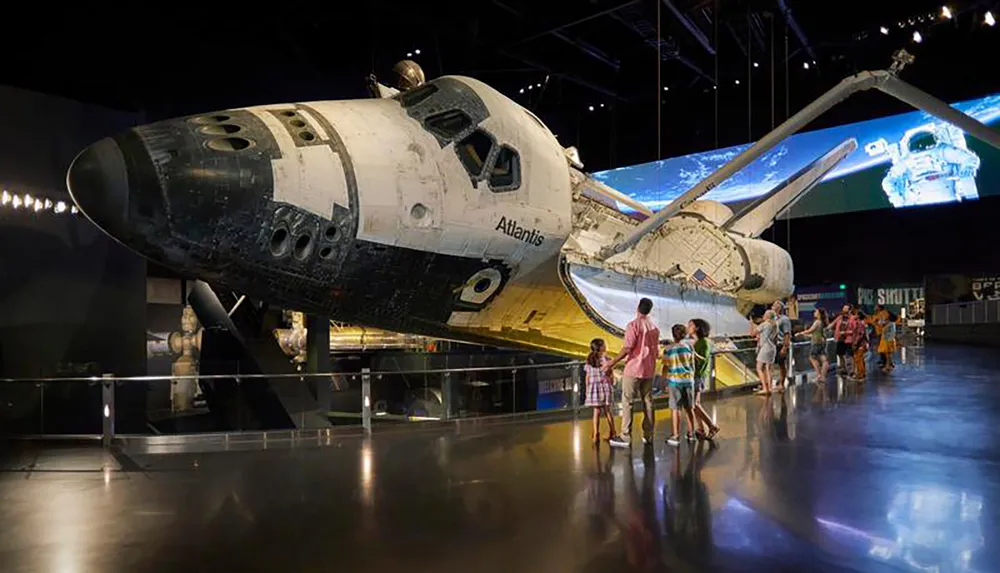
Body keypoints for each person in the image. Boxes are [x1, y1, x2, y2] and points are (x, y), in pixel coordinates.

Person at [606, 298, 660, 448]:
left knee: (628, 401)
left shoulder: (633, 325)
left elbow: (627, 348)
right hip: (649, 369)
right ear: (649, 310)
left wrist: (612, 362)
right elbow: (656, 351)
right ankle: (648, 435)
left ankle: (625, 436)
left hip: (634, 369)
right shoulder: (654, 328)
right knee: (648, 402)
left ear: (638, 308)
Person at [663, 324, 697, 446]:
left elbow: (666, 366)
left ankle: (676, 436)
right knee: (689, 408)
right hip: (688, 381)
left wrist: (664, 382)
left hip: (674, 382)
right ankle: (692, 433)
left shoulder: (668, 349)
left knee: (675, 409)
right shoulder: (689, 347)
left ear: (673, 335)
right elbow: (693, 365)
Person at [687, 318, 722, 441]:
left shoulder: (703, 342)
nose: (688, 327)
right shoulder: (698, 342)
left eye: (690, 325)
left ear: (697, 328)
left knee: (694, 404)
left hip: (698, 375)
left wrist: (692, 353)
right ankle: (700, 429)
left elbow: (703, 358)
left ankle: (712, 426)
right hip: (697, 375)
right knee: (694, 404)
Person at [584, 338, 619, 444]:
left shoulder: (589, 361)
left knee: (596, 412)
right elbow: (610, 375)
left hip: (594, 389)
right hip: (605, 387)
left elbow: (588, 377)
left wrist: (587, 389)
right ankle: (613, 432)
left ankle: (595, 434)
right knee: (608, 411)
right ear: (601, 348)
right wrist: (612, 383)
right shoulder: (607, 359)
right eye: (604, 344)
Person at [796, 308, 830, 381]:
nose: (814, 312)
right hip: (822, 342)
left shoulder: (817, 322)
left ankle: (818, 375)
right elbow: (816, 333)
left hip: (816, 342)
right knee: (824, 359)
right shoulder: (823, 322)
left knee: (812, 357)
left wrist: (800, 333)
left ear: (819, 314)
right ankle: (823, 377)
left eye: (816, 311)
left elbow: (810, 331)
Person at [750, 310, 778, 396]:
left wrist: (751, 324)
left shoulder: (764, 324)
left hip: (765, 348)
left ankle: (765, 388)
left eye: (764, 314)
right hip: (772, 348)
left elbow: (752, 333)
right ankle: (769, 388)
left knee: (759, 368)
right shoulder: (774, 325)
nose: (763, 315)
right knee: (768, 369)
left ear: (767, 316)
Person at [829, 305, 855, 378]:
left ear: (850, 310)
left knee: (850, 355)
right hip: (840, 339)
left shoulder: (853, 318)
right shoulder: (840, 317)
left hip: (848, 339)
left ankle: (852, 370)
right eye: (843, 309)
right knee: (840, 354)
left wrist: (845, 332)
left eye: (846, 310)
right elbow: (832, 324)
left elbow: (854, 330)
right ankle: (843, 369)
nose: (844, 311)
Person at [772, 301, 793, 390]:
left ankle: (782, 383)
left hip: (780, 344)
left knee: (781, 364)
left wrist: (785, 347)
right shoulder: (773, 319)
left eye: (774, 305)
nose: (772, 306)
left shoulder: (784, 319)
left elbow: (787, 333)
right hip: (772, 344)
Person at [852, 308, 868, 381]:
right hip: (862, 343)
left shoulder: (860, 323)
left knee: (858, 359)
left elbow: (860, 335)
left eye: (855, 314)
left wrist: (855, 343)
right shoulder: (862, 323)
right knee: (860, 358)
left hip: (860, 344)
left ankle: (860, 374)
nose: (854, 316)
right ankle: (862, 373)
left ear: (858, 316)